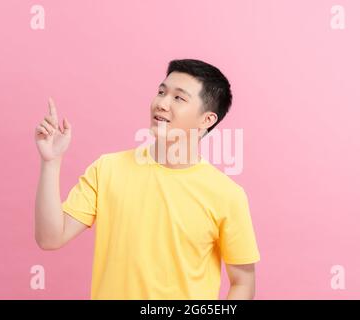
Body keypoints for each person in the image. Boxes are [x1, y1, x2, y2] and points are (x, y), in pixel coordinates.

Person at [34, 58, 260, 300]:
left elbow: (242, 282)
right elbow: (50, 239)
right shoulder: (108, 169)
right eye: (161, 92)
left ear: (206, 120)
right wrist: (51, 162)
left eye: (178, 98)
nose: (161, 103)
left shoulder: (227, 194)